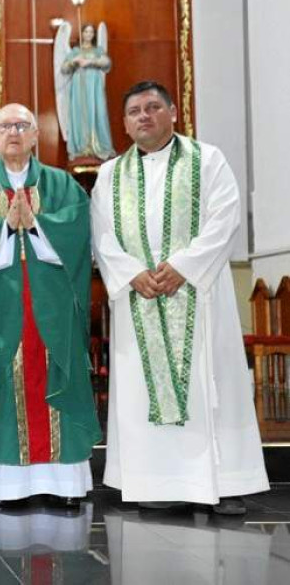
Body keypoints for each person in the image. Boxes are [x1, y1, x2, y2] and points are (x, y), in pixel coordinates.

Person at [91, 80, 270, 515]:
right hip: (139, 298)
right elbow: (101, 233)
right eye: (135, 111)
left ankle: (225, 483)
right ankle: (154, 483)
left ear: (173, 112)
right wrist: (133, 274)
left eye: (153, 107)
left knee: (215, 384)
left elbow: (224, 218)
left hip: (199, 296)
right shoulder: (110, 173)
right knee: (141, 392)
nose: (144, 116)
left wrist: (184, 268)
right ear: (125, 123)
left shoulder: (207, 160)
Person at [0, 103, 101, 507]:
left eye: (23, 125)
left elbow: (77, 234)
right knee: (6, 380)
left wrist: (36, 225)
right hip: (1, 309)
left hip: (51, 303)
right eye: (4, 126)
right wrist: (3, 227)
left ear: (37, 135)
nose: (14, 132)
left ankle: (65, 485)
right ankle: (7, 486)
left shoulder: (61, 185)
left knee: (54, 375)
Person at [55, 22, 115, 162]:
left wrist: (91, 62)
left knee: (97, 111)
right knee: (80, 112)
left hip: (94, 85)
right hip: (79, 85)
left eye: (91, 32)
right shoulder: (76, 51)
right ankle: (82, 146)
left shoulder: (98, 50)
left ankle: (98, 145)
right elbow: (64, 69)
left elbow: (107, 63)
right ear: (82, 34)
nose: (88, 35)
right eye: (86, 32)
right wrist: (74, 61)